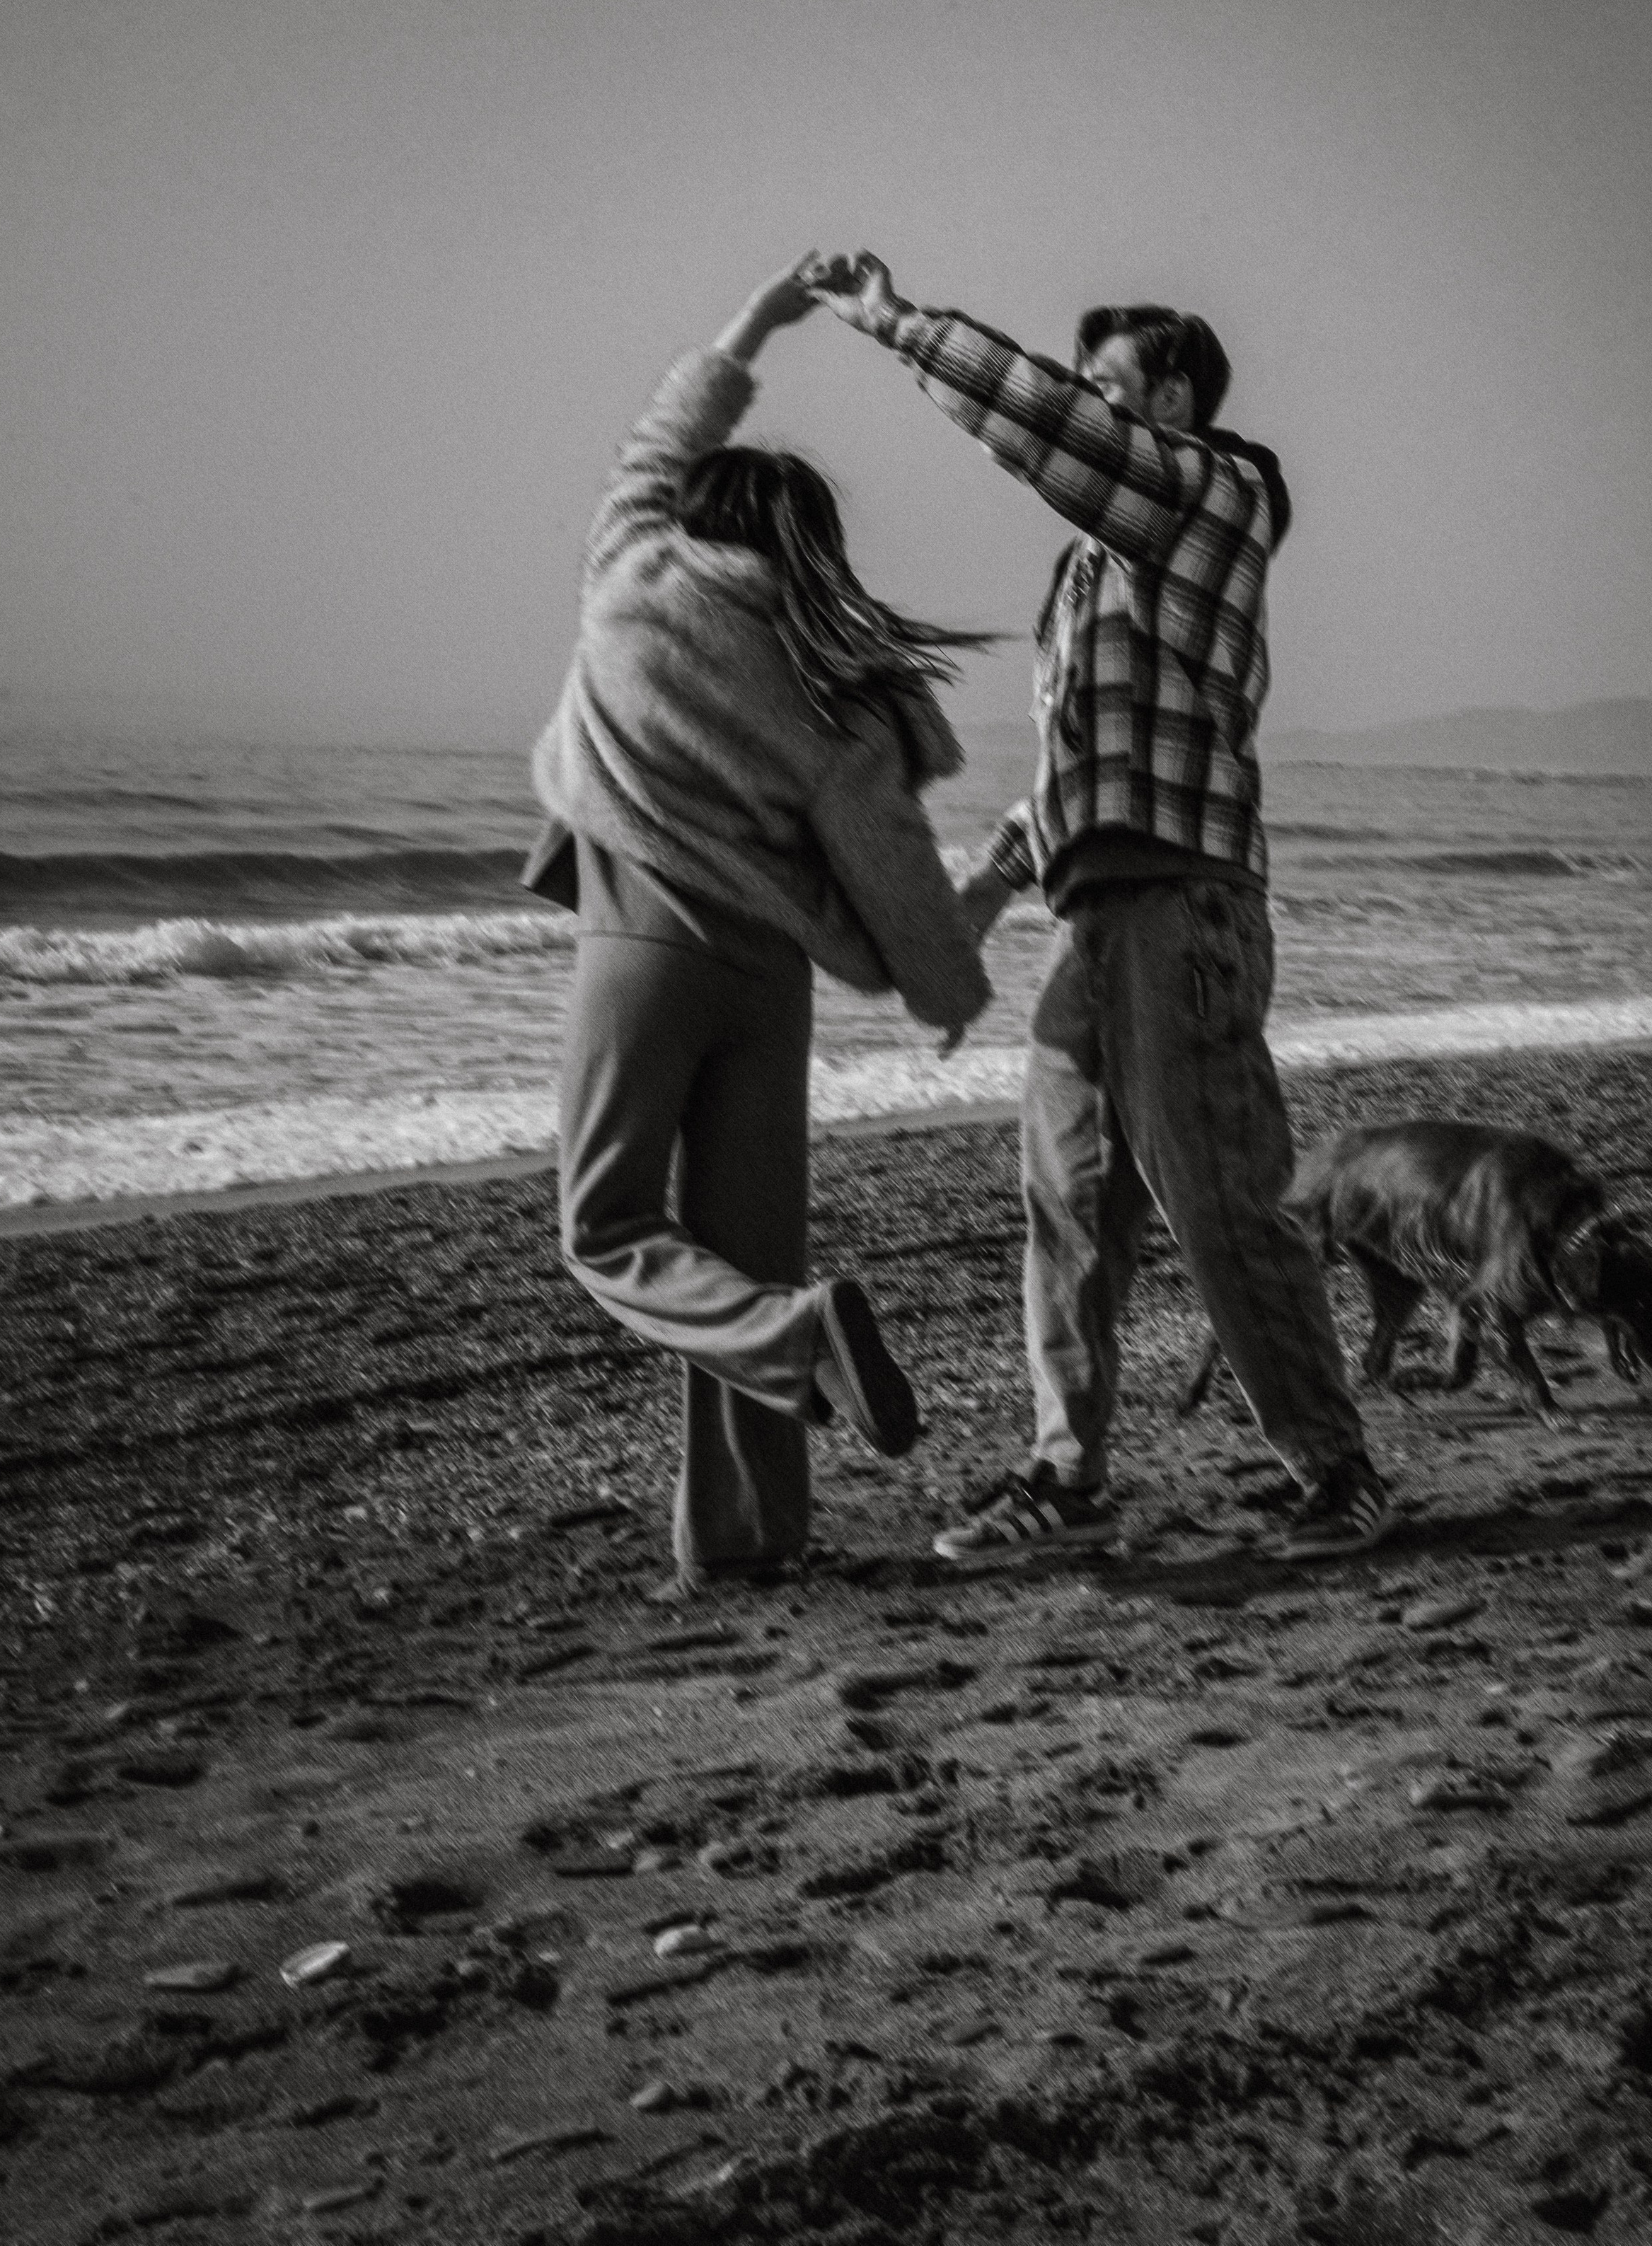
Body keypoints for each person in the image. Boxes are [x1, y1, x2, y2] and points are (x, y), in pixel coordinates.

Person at [802, 252, 1395, 1561]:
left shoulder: (1215, 493)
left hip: (1188, 912)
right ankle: (1065, 1479)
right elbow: (1079, 772)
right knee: (1067, 1202)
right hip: (1100, 920)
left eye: (1110, 383)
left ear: (1173, 398)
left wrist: (894, 323)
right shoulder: (1091, 571)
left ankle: (1337, 1469)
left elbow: (1048, 427)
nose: (1087, 399)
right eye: (1086, 384)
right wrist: (980, 894)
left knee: (1220, 1198)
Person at [528, 259, 993, 1593]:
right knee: (749, 1251)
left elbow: (659, 437)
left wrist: (761, 320)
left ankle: (796, 1343)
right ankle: (747, 1538)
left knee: (609, 1230)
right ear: (814, 555)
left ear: (692, 513)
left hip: (643, 954)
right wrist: (946, 993)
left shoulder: (630, 575)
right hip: (768, 981)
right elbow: (892, 865)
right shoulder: (833, 682)